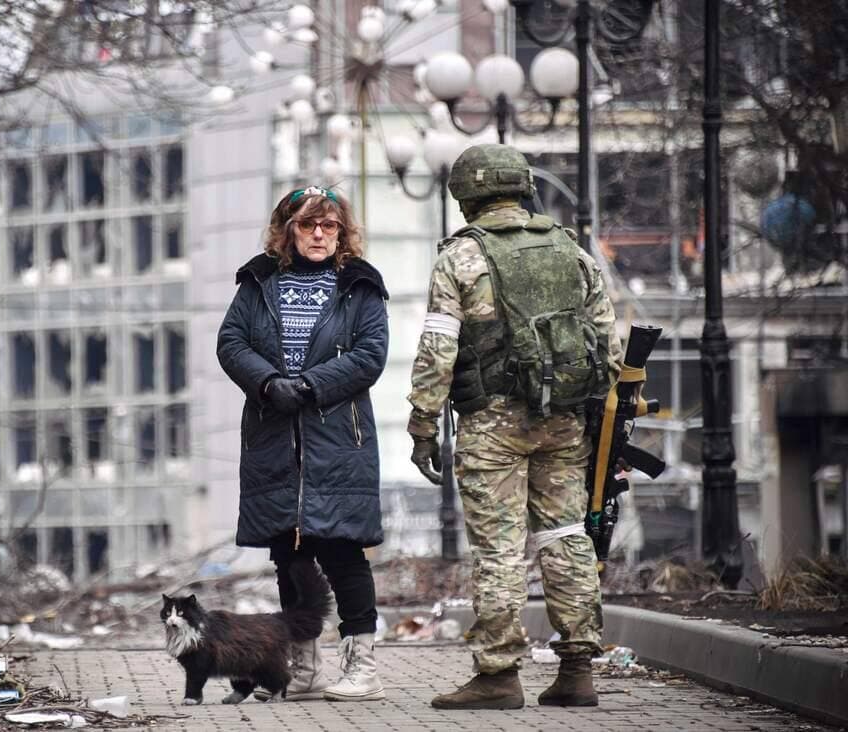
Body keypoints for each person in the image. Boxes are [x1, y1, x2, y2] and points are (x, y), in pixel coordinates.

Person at [406, 144, 623, 710]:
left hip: (493, 424)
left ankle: (499, 675)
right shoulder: (570, 249)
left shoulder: (461, 258)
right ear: (523, 187)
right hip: (564, 421)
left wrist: (422, 423)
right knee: (565, 534)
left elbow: (438, 348)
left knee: (500, 549)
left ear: (466, 196)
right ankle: (578, 670)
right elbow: (609, 343)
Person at [217, 186, 389, 702]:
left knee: (342, 553)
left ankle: (362, 668)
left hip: (338, 439)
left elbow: (371, 353)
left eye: (329, 225)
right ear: (288, 230)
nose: (319, 234)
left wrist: (312, 386)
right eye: (308, 225)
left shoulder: (360, 285)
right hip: (274, 437)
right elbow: (231, 342)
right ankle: (305, 667)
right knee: (289, 554)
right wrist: (269, 383)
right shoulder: (258, 282)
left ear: (342, 232)